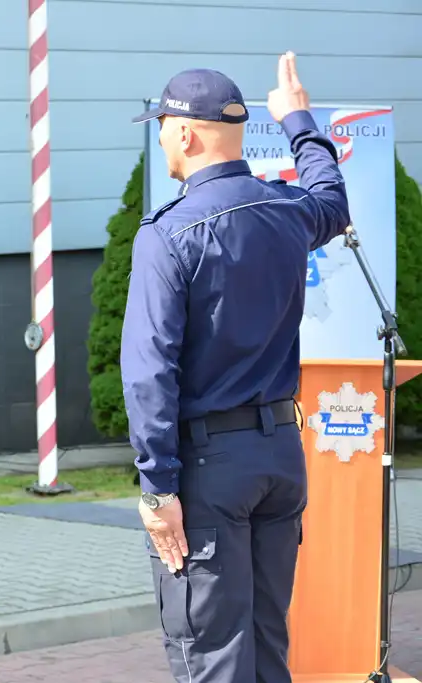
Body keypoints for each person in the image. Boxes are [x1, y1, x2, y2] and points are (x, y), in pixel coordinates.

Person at [122, 53, 351, 682]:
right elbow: (332, 196)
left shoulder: (168, 234)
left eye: (163, 125)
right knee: (267, 649)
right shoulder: (287, 211)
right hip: (280, 456)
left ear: (187, 133)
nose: (161, 136)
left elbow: (149, 372)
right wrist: (298, 119)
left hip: (209, 468)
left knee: (213, 657)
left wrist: (157, 487)